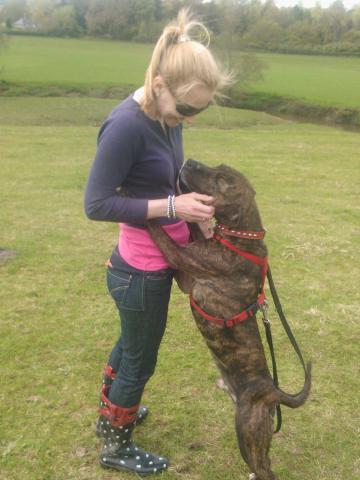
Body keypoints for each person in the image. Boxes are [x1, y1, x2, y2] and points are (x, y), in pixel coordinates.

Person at [84, 9, 233, 476]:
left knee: (131, 346)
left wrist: (195, 216)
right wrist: (173, 208)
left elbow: (168, 182)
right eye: (187, 108)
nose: (189, 118)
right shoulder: (125, 127)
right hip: (138, 271)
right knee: (139, 359)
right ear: (159, 83)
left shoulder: (169, 117)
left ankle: (112, 412)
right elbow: (97, 203)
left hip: (159, 260)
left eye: (198, 111)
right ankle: (115, 444)